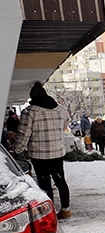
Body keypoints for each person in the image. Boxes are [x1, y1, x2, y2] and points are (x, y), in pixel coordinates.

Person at [11, 82, 72, 219]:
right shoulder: (60, 110)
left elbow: (23, 133)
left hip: (39, 154)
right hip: (57, 152)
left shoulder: (29, 112)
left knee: (45, 183)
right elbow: (65, 125)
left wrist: (17, 151)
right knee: (60, 180)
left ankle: (49, 213)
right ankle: (66, 209)